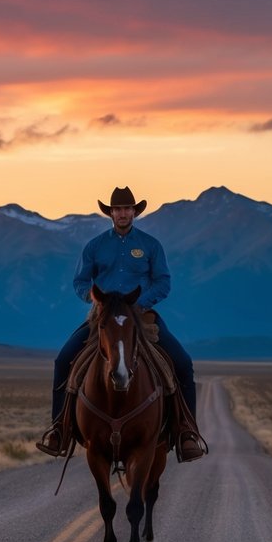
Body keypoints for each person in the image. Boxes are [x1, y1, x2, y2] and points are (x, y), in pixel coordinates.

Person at [36, 186, 204, 461]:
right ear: (110, 213)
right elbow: (80, 281)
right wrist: (95, 300)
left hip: (141, 316)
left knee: (183, 363)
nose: (122, 213)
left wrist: (139, 303)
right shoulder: (95, 246)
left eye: (127, 209)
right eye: (117, 209)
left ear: (134, 212)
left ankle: (187, 432)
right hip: (102, 318)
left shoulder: (150, 245)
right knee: (62, 360)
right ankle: (60, 430)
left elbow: (163, 281)